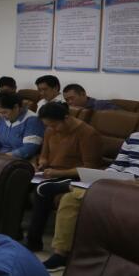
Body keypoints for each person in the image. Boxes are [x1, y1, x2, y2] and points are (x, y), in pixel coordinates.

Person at [42, 95, 139, 270]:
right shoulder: (135, 137)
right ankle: (61, 254)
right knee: (70, 199)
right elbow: (118, 165)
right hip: (123, 183)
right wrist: (106, 176)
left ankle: (72, 185)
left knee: (81, 194)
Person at [25, 103, 102, 252]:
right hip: (51, 172)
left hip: (75, 176)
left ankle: (33, 242)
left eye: (54, 125)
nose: (52, 129)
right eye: (48, 126)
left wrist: (58, 173)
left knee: (43, 189)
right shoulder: (50, 129)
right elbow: (44, 155)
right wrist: (41, 163)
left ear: (66, 118)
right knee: (18, 180)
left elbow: (90, 168)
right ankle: (11, 231)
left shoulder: (87, 134)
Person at [0, 91, 44, 160]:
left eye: (4, 112)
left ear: (16, 107)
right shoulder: (2, 118)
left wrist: (4, 157)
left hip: (19, 159)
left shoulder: (33, 120)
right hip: (1, 156)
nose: (1, 116)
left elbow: (29, 148)